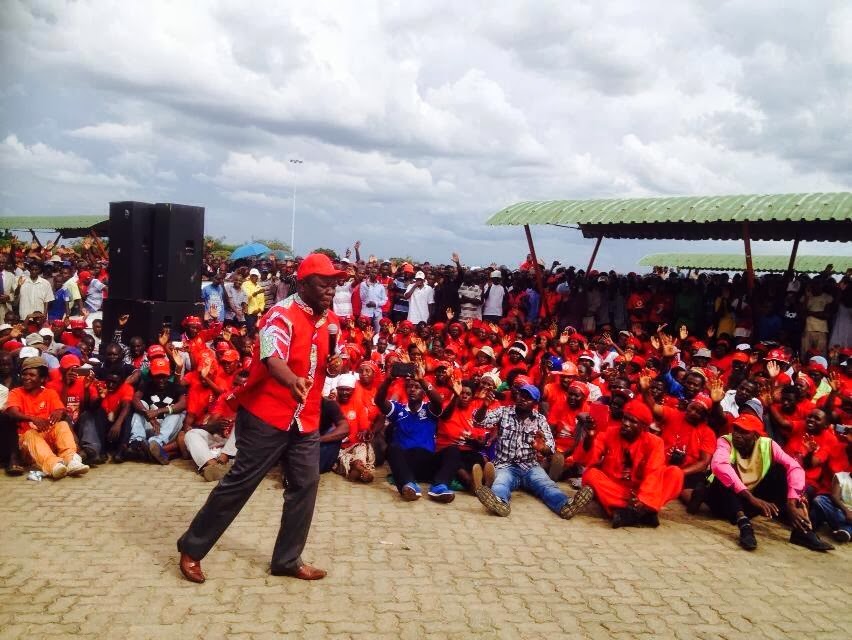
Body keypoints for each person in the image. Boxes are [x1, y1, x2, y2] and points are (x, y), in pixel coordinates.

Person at [177, 253, 345, 584]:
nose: (331, 290)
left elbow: (330, 356)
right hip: (267, 414)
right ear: (303, 283)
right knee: (240, 483)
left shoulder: (332, 322)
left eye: (334, 284)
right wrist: (292, 380)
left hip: (305, 419)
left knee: (305, 485)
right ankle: (191, 548)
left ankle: (287, 559)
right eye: (324, 283)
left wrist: (334, 365)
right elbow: (272, 358)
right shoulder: (277, 316)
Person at [699, 414, 834, 552]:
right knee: (724, 476)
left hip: (751, 502)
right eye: (736, 429)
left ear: (756, 436)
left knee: (786, 473)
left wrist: (792, 501)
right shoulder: (725, 441)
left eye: (744, 432)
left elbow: (795, 467)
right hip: (724, 502)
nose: (737, 435)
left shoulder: (768, 444)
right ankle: (745, 525)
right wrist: (751, 498)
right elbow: (719, 466)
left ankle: (802, 532)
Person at [472, 384, 594, 519]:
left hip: (530, 466)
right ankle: (499, 503)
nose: (522, 399)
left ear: (535, 403)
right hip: (505, 465)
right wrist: (484, 406)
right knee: (500, 483)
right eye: (521, 395)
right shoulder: (504, 412)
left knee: (547, 485)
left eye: (528, 398)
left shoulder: (540, 419)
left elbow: (551, 449)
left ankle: (565, 506)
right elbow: (479, 422)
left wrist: (542, 448)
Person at [582, 399, 684, 527]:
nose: (625, 423)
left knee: (675, 473)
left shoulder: (655, 442)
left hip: (643, 490)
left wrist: (643, 498)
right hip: (616, 487)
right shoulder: (609, 432)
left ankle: (632, 513)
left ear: (643, 427)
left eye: (632, 421)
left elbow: (654, 471)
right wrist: (590, 437)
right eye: (625, 418)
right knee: (591, 474)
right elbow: (591, 458)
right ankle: (644, 513)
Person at [374, 366, 456, 502]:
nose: (412, 389)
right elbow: (379, 401)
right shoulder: (398, 409)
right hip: (406, 463)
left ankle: (439, 486)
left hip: (428, 462)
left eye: (417, 387)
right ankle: (408, 485)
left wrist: (422, 380)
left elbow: (438, 402)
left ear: (424, 392)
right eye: (410, 386)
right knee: (392, 448)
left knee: (453, 450)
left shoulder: (429, 409)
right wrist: (388, 380)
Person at [4, 356, 89, 478]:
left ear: (42, 379)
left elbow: (60, 409)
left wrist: (60, 412)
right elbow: (12, 412)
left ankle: (71, 460)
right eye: (24, 374)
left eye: (32, 375)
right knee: (30, 433)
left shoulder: (50, 393)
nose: (27, 378)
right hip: (26, 445)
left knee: (62, 425)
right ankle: (54, 465)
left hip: (47, 440)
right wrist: (32, 418)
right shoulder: (16, 392)